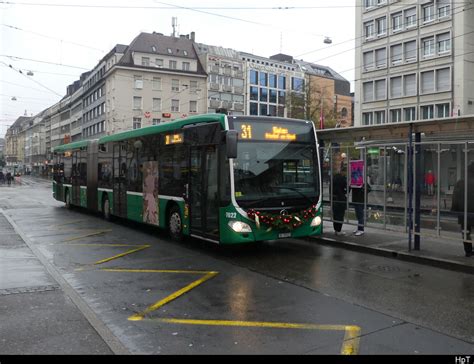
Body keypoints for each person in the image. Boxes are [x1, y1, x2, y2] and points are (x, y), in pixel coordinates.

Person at [451, 162, 474, 257]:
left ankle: (468, 251)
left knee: (465, 231)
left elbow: (455, 197)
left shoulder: (460, 182)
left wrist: (454, 209)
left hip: (463, 211)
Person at [332, 167, 347, 236]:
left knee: (335, 215)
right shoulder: (343, 179)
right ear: (343, 172)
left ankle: (336, 230)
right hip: (341, 199)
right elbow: (345, 190)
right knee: (340, 216)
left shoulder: (334, 178)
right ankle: (338, 230)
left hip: (334, 199)